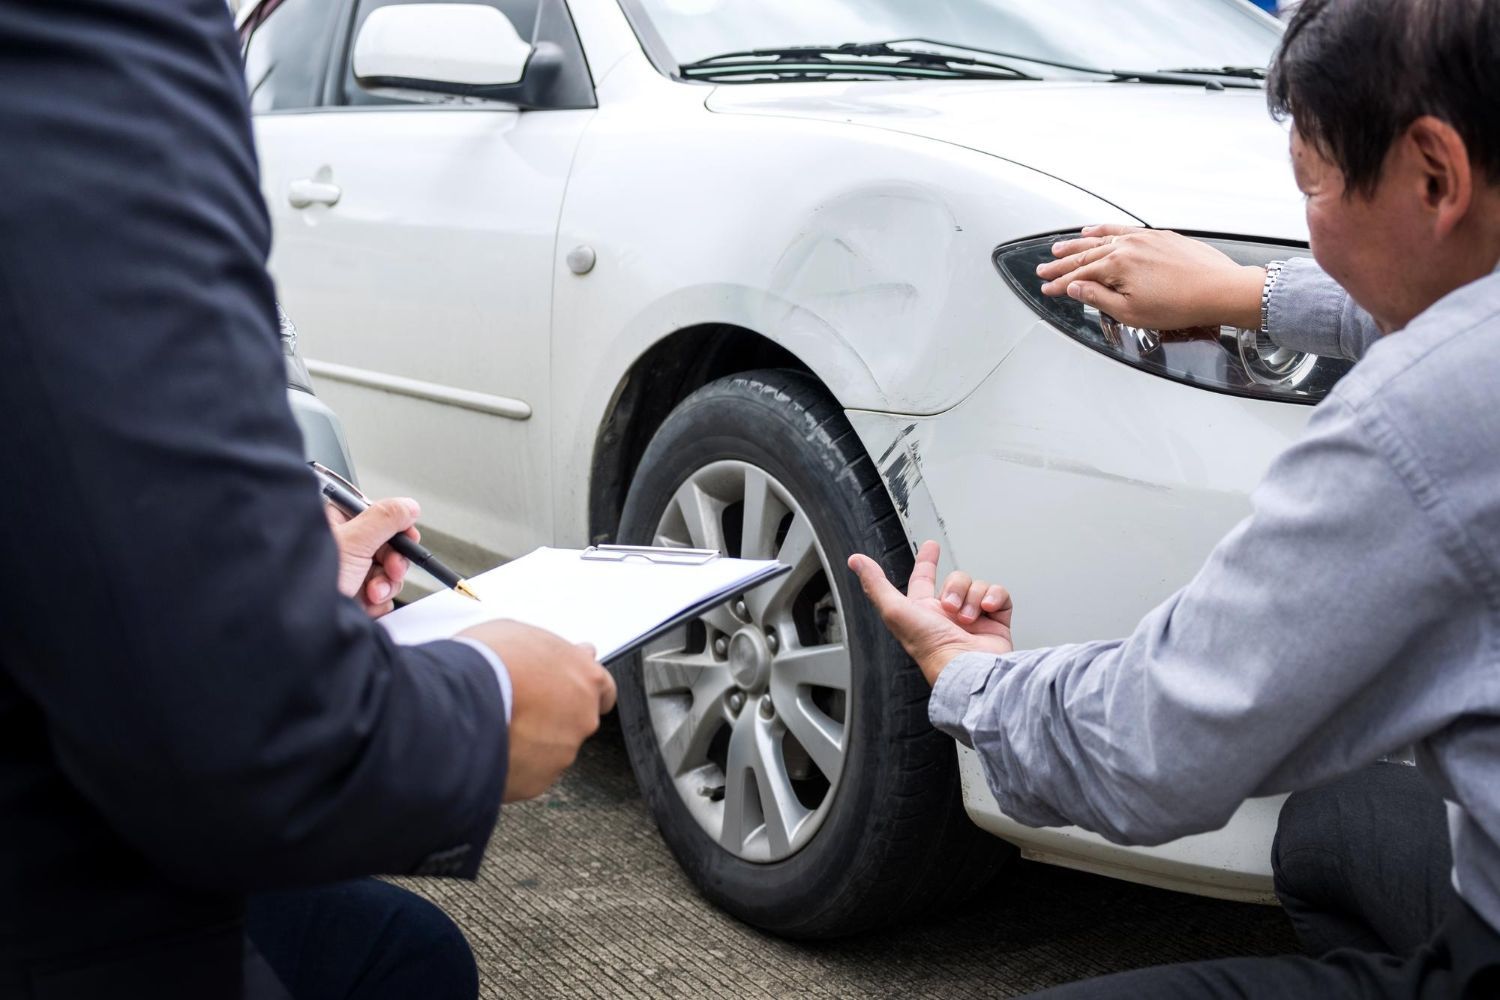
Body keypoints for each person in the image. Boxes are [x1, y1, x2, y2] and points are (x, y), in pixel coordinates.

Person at [848, 0, 1500, 994]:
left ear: (1436, 173)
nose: (1312, 240)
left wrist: (968, 675)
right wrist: (1248, 295)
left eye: (1313, 190)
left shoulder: (1425, 419)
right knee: (1329, 831)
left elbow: (1162, 742)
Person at [0, 1, 614, 998]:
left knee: (407, 950)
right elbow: (236, 734)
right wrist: (493, 702)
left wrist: (259, 568)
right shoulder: (89, 33)